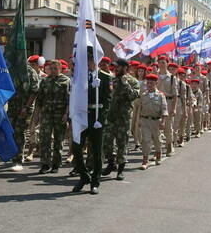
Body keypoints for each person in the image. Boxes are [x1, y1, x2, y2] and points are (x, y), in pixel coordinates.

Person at [71, 52, 111, 195]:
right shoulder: (80, 77)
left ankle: (95, 182)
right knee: (75, 148)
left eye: (91, 61)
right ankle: (83, 177)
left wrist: (101, 120)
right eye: (87, 61)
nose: (88, 64)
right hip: (82, 116)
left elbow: (107, 102)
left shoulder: (105, 78)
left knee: (97, 151)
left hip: (96, 118)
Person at [103, 59, 141, 180]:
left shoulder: (133, 81)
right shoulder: (112, 80)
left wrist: (125, 84)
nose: (115, 69)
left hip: (123, 118)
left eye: (118, 67)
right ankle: (111, 163)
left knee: (122, 143)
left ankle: (120, 170)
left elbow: (132, 96)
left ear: (125, 68)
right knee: (107, 142)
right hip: (110, 117)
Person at [36, 60, 71, 174]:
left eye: (55, 68)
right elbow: (39, 100)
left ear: (60, 69)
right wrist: (37, 115)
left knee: (58, 139)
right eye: (51, 68)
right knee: (45, 139)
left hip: (60, 114)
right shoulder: (44, 81)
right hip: (46, 114)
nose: (53, 70)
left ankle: (56, 163)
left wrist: (66, 114)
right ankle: (45, 163)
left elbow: (69, 100)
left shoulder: (66, 81)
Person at [133, 73, 168, 169]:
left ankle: (158, 153)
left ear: (156, 83)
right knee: (146, 140)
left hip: (156, 121)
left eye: (152, 83)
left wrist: (163, 121)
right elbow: (138, 108)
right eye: (148, 83)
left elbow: (164, 109)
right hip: (145, 121)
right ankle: (145, 160)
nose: (149, 85)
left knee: (157, 140)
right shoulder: (143, 95)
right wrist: (138, 121)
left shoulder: (161, 96)